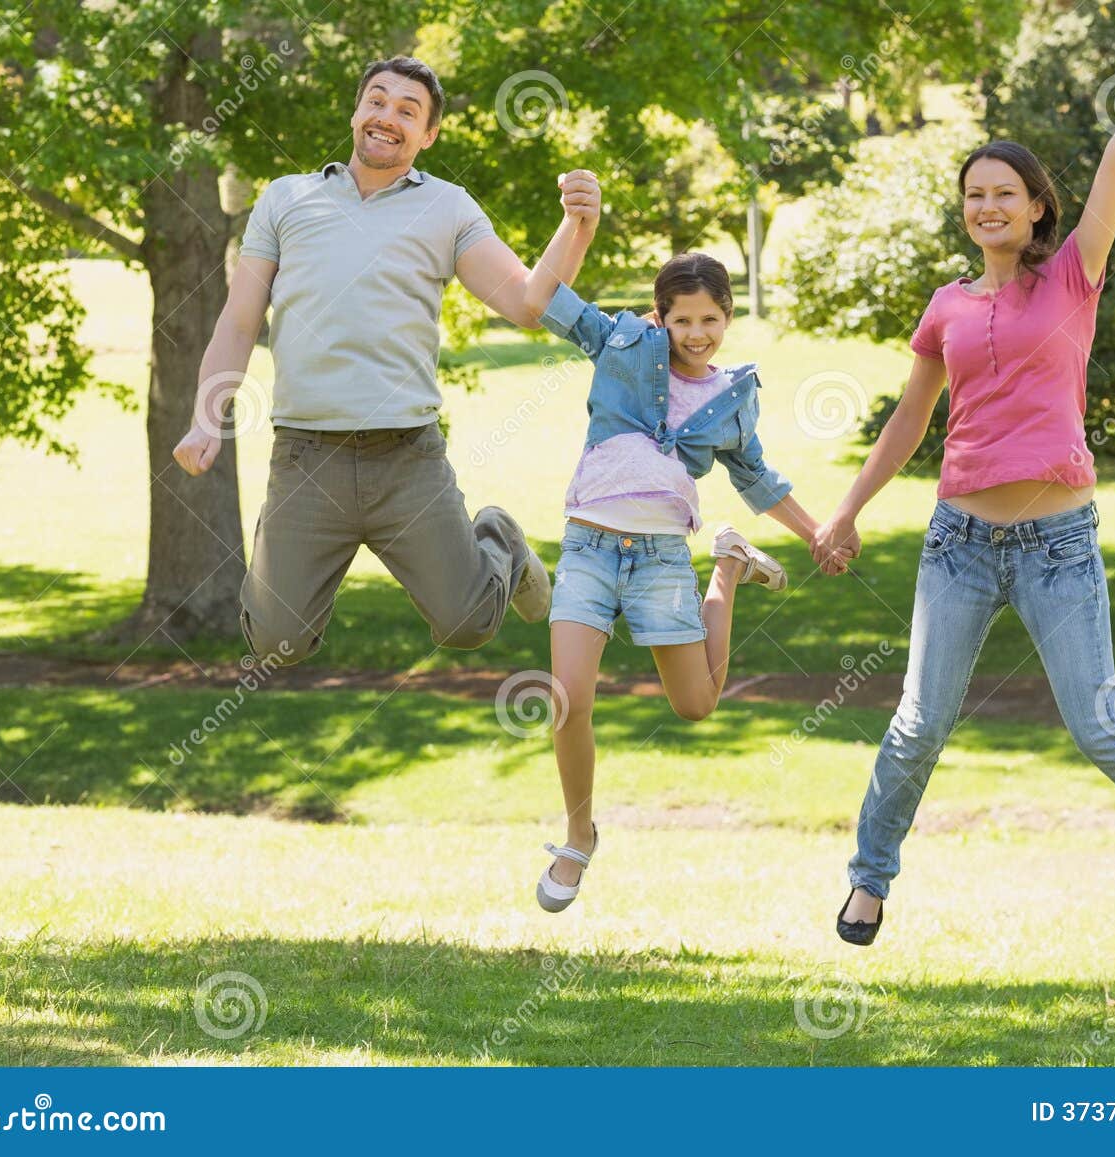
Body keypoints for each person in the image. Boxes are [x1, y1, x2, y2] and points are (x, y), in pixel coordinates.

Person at [812, 1, 1115, 954]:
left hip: (1060, 543)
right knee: (918, 725)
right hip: (960, 545)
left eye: (1005, 193)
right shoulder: (946, 306)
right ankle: (867, 881)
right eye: (974, 194)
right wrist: (847, 512)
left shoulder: (1072, 276)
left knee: (1101, 728)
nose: (988, 206)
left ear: (1036, 206)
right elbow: (910, 418)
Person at [172, 55, 602, 661]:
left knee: (467, 624)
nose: (387, 117)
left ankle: (499, 539)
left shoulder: (449, 207)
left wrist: (576, 229)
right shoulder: (285, 200)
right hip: (306, 459)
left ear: (427, 135)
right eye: (376, 100)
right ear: (356, 112)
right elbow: (239, 321)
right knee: (276, 642)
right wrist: (203, 418)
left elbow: (528, 304)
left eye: (408, 110)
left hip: (408, 460)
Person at [532, 252, 851, 912]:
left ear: (728, 316)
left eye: (711, 318)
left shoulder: (732, 397)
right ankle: (577, 834)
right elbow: (544, 297)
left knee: (697, 704)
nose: (698, 332)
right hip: (589, 546)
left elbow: (757, 478)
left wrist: (816, 532)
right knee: (567, 697)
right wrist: (580, 226)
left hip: (660, 559)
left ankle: (727, 565)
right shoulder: (620, 341)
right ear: (661, 317)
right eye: (683, 320)